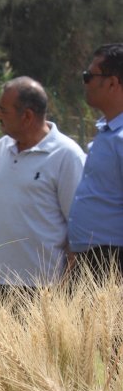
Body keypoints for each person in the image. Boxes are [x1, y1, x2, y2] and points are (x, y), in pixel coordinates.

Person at [0, 77, 85, 293]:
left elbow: (79, 229)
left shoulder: (67, 155)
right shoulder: (1, 148)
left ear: (27, 116)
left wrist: (67, 288)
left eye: (3, 110)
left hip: (42, 286)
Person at [68, 43, 123, 279]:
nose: (85, 83)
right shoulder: (107, 131)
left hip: (112, 260)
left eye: (89, 76)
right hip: (92, 258)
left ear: (112, 83)